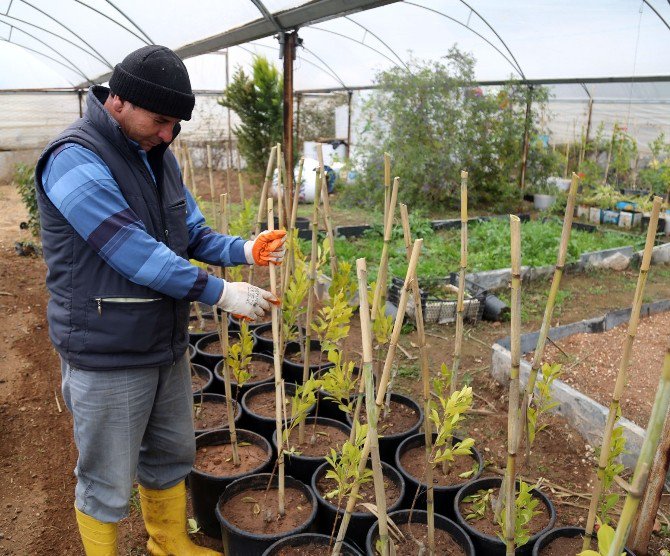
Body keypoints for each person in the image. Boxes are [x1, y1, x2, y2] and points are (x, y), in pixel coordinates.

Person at [34, 45, 285, 555]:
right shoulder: (72, 159)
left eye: (176, 125)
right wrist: (221, 292)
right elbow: (132, 251)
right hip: (107, 348)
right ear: (119, 101)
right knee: (106, 479)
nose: (169, 135)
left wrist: (243, 249)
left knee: (170, 454)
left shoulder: (158, 158)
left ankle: (169, 543)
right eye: (161, 120)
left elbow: (188, 231)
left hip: (162, 342)